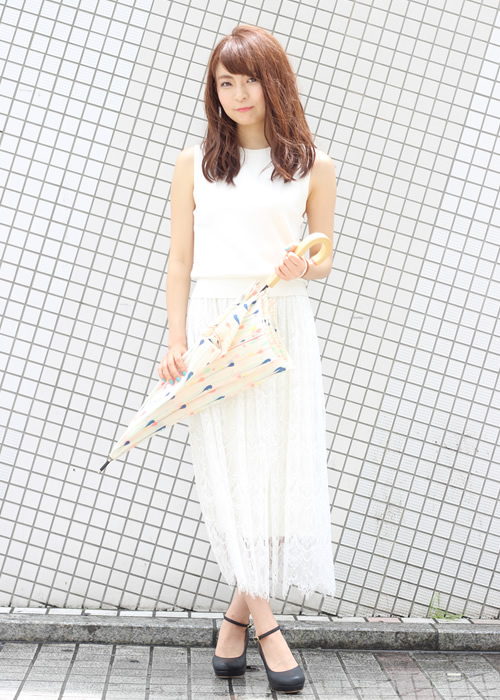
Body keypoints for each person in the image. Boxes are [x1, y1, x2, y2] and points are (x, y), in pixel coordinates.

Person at [158, 24, 337, 693]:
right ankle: (266, 627)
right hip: (216, 325)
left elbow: (323, 255)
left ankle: (233, 620)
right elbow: (180, 259)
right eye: (224, 82)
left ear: (274, 82)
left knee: (280, 486)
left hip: (281, 322)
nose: (237, 94)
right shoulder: (195, 164)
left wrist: (301, 264)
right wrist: (176, 341)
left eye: (249, 80)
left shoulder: (313, 164)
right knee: (234, 481)